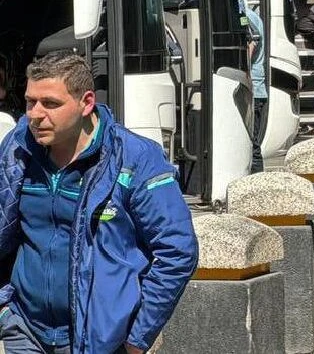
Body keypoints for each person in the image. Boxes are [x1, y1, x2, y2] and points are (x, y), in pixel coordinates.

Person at [0, 51, 197, 353]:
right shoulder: (17, 149)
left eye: (50, 104)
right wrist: (4, 310)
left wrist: (137, 337)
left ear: (86, 102)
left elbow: (177, 250)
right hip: (24, 329)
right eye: (30, 101)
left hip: (99, 340)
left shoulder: (134, 158)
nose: (35, 115)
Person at [243, 1, 269, 173]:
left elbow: (252, 40)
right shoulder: (248, 14)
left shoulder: (244, 15)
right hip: (256, 88)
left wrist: (243, 67)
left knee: (252, 145)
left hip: (253, 89)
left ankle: (257, 184)